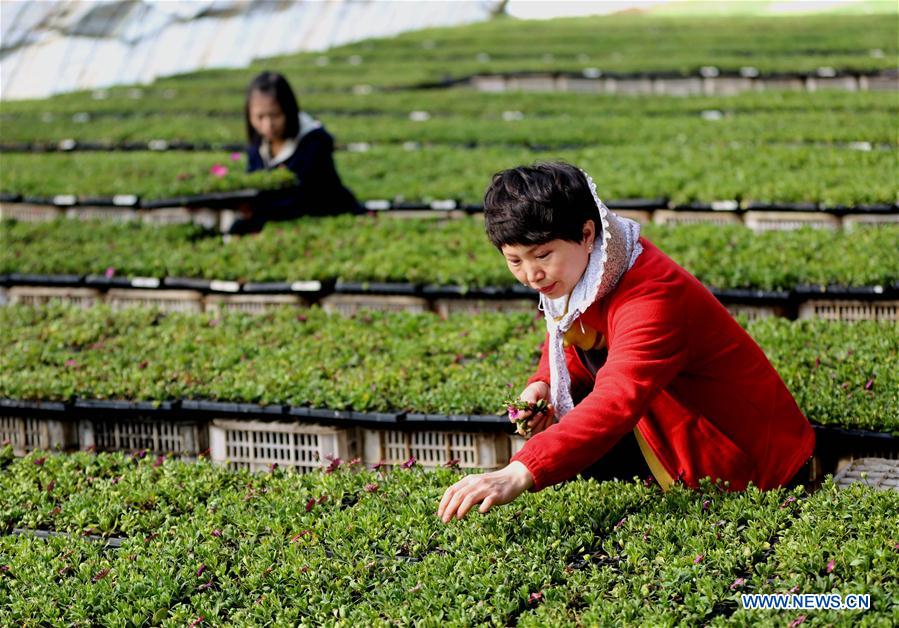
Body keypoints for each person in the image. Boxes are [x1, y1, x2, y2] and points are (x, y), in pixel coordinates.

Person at [437, 162, 815, 523]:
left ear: (586, 235)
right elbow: (574, 336)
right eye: (514, 261)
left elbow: (616, 400)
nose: (532, 275)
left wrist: (520, 471)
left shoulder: (652, 297)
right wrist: (546, 384)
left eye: (542, 255)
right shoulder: (590, 269)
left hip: (751, 467)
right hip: (672, 434)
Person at [228, 71, 362, 234]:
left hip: (322, 221)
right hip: (278, 222)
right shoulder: (258, 146)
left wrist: (256, 206)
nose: (267, 125)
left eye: (275, 115)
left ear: (289, 110)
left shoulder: (314, 142)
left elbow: (303, 199)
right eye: (259, 117)